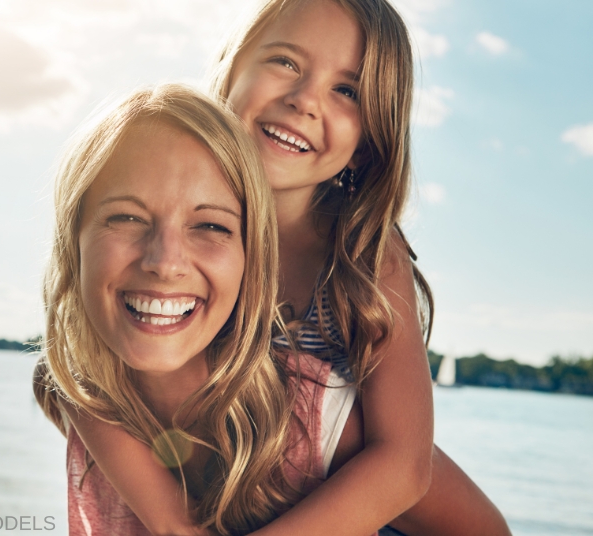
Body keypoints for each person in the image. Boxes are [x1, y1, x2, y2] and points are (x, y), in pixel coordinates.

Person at [40, 0, 511, 534]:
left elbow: (402, 467)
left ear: (365, 144)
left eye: (347, 90)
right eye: (286, 62)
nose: (304, 100)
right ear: (230, 71)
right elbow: (78, 363)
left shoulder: (363, 256)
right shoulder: (167, 227)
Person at [34, 82, 359, 535]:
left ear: (253, 258)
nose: (165, 264)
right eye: (127, 217)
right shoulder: (84, 395)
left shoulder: (314, 419)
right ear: (74, 243)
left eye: (209, 225)